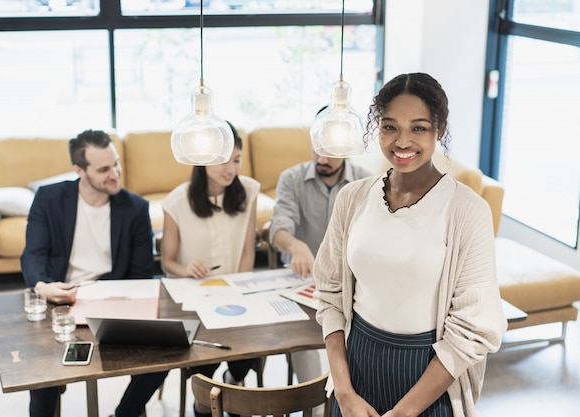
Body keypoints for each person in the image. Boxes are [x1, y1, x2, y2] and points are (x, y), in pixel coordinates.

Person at [313, 72, 508, 417]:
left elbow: (474, 330)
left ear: (439, 129)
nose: (402, 141)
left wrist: (403, 413)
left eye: (418, 128)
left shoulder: (467, 210)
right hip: (354, 371)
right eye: (390, 127)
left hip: (428, 380)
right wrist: (343, 392)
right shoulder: (352, 197)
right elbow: (329, 294)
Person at [21, 129, 167, 417]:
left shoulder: (136, 208)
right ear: (79, 170)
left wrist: (108, 299)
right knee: (40, 374)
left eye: (116, 164)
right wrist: (42, 286)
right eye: (103, 169)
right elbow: (33, 254)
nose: (115, 173)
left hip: (113, 300)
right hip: (59, 300)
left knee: (165, 353)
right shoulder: (50, 199)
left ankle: (125, 413)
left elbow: (141, 275)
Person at [160, 121, 259, 417]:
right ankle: (203, 404)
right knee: (203, 361)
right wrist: (186, 268)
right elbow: (167, 262)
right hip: (196, 299)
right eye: (222, 160)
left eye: (237, 160)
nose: (231, 168)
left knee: (248, 352)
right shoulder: (177, 202)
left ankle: (231, 383)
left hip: (237, 296)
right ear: (202, 160)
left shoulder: (250, 191)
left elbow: (247, 251)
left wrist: (240, 291)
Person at [268, 113, 371, 386]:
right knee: (305, 348)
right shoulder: (291, 178)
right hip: (301, 284)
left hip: (350, 285)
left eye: (331, 152)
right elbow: (278, 228)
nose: (322, 159)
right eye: (317, 149)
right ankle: (313, 406)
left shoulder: (367, 183)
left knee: (359, 352)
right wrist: (295, 245)